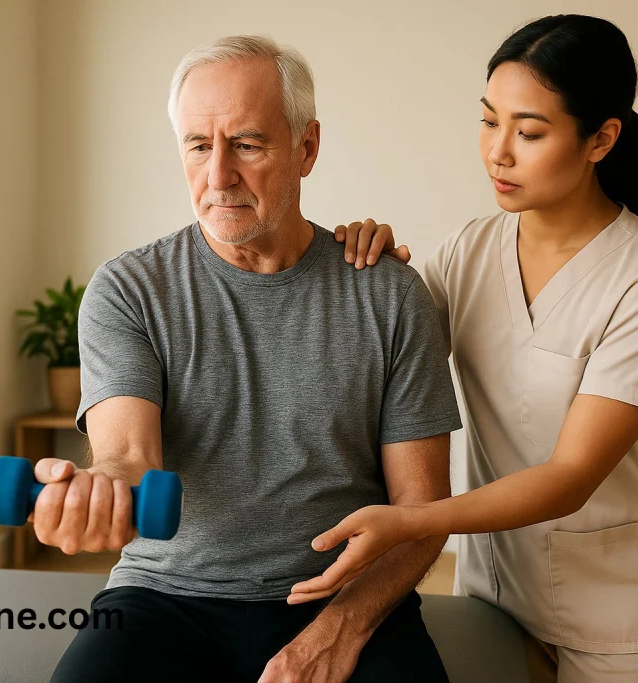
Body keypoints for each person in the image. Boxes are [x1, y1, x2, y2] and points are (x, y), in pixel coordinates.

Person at [35, 35, 462, 683]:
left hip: (339, 592)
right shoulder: (128, 289)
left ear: (307, 148)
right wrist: (98, 490)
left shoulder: (387, 292)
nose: (218, 176)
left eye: (248, 144)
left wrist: (338, 630)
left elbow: (423, 511)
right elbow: (129, 457)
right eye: (199, 145)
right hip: (164, 595)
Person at [292, 14, 638, 683]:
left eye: (530, 131)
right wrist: (362, 269)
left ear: (601, 139)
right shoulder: (467, 252)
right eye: (489, 121)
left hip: (620, 607)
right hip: (498, 593)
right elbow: (381, 362)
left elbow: (570, 477)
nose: (498, 152)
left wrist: (414, 520)